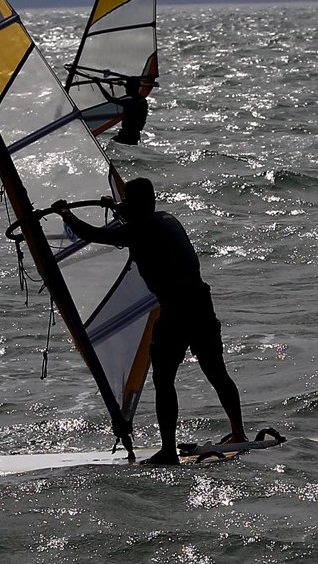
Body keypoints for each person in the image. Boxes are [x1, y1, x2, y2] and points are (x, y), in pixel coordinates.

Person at [52, 177, 247, 464]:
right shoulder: (165, 219)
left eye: (127, 200)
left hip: (177, 310)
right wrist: (115, 207)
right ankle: (238, 432)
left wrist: (66, 214)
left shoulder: (142, 228)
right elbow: (133, 221)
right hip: (200, 303)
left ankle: (168, 451)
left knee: (164, 379)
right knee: (216, 371)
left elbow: (97, 235)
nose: (123, 205)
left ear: (138, 203)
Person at [97, 76, 149, 145]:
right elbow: (133, 90)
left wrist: (98, 84)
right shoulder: (143, 100)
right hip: (134, 136)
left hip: (127, 136)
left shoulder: (132, 103)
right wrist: (124, 84)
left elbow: (110, 99)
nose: (125, 89)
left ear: (131, 88)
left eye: (127, 87)